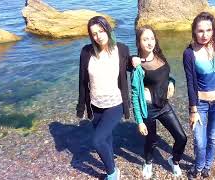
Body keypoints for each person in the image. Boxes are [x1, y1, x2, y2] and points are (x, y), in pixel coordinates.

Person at [76, 16, 132, 180]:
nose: (98, 36)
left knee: (97, 141)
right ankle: (111, 160)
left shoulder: (121, 49)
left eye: (101, 31)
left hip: (115, 104)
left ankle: (112, 174)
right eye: (94, 33)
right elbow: (82, 81)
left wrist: (135, 60)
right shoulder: (86, 52)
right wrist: (81, 106)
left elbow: (129, 66)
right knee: (106, 138)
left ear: (108, 29)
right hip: (95, 105)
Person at [131, 25, 188, 179]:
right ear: (138, 42)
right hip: (148, 110)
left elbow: (166, 76)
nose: (150, 42)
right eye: (145, 39)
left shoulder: (160, 56)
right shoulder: (137, 66)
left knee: (182, 137)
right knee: (151, 140)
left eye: (151, 38)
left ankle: (174, 161)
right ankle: (148, 162)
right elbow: (135, 95)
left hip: (164, 106)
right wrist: (139, 121)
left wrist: (172, 82)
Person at [182, 12, 215, 178]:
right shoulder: (189, 53)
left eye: (209, 30)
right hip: (201, 104)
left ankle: (206, 167)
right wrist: (193, 110)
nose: (204, 35)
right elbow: (190, 82)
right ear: (194, 32)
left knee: (213, 137)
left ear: (214, 30)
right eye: (200, 31)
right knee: (199, 141)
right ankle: (198, 166)